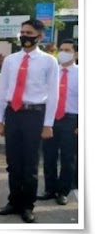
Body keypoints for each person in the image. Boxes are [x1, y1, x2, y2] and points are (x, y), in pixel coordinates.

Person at [0, 19, 59, 223]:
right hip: (13, 114)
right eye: (22, 32)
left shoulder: (49, 61)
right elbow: (3, 91)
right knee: (13, 163)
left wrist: (48, 124)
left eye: (29, 32)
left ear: (39, 36)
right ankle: (13, 202)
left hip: (34, 115)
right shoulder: (11, 60)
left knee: (29, 165)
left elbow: (54, 95)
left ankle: (27, 206)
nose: (24, 35)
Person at [37, 39, 78, 206]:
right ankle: (50, 189)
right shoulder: (52, 72)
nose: (63, 52)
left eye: (67, 50)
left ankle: (63, 191)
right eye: (61, 49)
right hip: (50, 119)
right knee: (49, 156)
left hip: (71, 120)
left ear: (76, 53)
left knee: (68, 158)